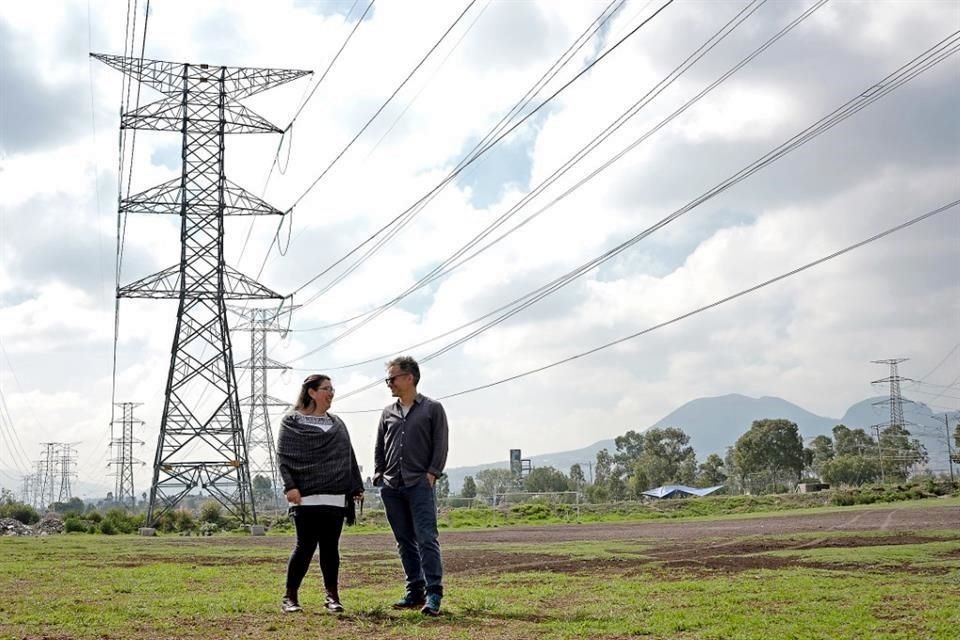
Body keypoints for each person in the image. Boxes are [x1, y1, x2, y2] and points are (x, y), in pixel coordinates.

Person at [277, 374, 364, 614]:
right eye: (326, 388)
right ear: (312, 392)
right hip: (305, 497)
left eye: (332, 388)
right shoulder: (292, 422)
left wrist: (355, 485)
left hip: (335, 496)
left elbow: (349, 455)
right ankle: (290, 597)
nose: (331, 392)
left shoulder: (337, 423)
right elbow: (284, 458)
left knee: (330, 548)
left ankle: (332, 597)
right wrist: (290, 486)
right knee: (304, 547)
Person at [373, 356, 449, 616]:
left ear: (409, 378)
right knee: (404, 541)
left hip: (419, 483)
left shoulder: (432, 408)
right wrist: (379, 475)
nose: (389, 383)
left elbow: (440, 443)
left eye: (392, 378)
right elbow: (380, 447)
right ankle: (414, 591)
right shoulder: (388, 412)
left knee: (426, 538)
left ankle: (434, 594)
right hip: (392, 486)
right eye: (388, 379)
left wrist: (432, 473)